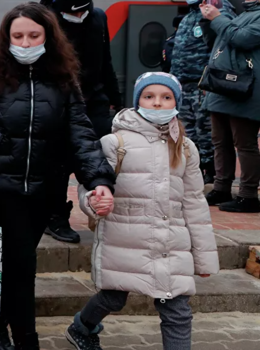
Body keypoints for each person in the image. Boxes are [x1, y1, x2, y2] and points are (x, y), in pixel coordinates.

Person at [0, 2, 115, 350]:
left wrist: (99, 180)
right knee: (22, 265)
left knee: (12, 263)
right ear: (6, 38)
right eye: (18, 36)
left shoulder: (64, 81)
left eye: (34, 35)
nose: (25, 43)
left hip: (44, 190)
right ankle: (27, 340)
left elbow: (81, 135)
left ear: (48, 37)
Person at [67, 72, 219, 350]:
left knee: (177, 310)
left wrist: (204, 258)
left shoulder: (186, 148)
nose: (157, 103)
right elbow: (89, 188)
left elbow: (195, 203)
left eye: (166, 97)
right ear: (138, 101)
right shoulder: (115, 143)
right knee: (113, 298)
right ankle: (82, 327)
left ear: (176, 102)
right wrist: (94, 203)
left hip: (171, 244)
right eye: (149, 96)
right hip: (125, 240)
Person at [39, 0, 122, 244]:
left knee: (97, 157)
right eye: (72, 12)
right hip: (59, 101)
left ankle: (100, 210)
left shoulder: (97, 18)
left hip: (94, 100)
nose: (77, 16)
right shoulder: (45, 20)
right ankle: (55, 216)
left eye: (82, 11)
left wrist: (116, 99)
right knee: (58, 162)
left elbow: (106, 61)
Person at [200, 0, 260, 214]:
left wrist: (218, 18)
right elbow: (219, 40)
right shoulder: (245, 14)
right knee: (221, 141)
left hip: (246, 90)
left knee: (245, 144)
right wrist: (208, 21)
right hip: (224, 87)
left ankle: (248, 196)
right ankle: (221, 188)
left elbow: (241, 39)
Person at [170, 0, 236, 188]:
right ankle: (195, 168)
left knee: (206, 130)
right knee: (188, 130)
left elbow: (223, 47)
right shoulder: (190, 15)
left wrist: (211, 80)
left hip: (205, 84)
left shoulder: (219, 13)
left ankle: (211, 171)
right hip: (185, 83)